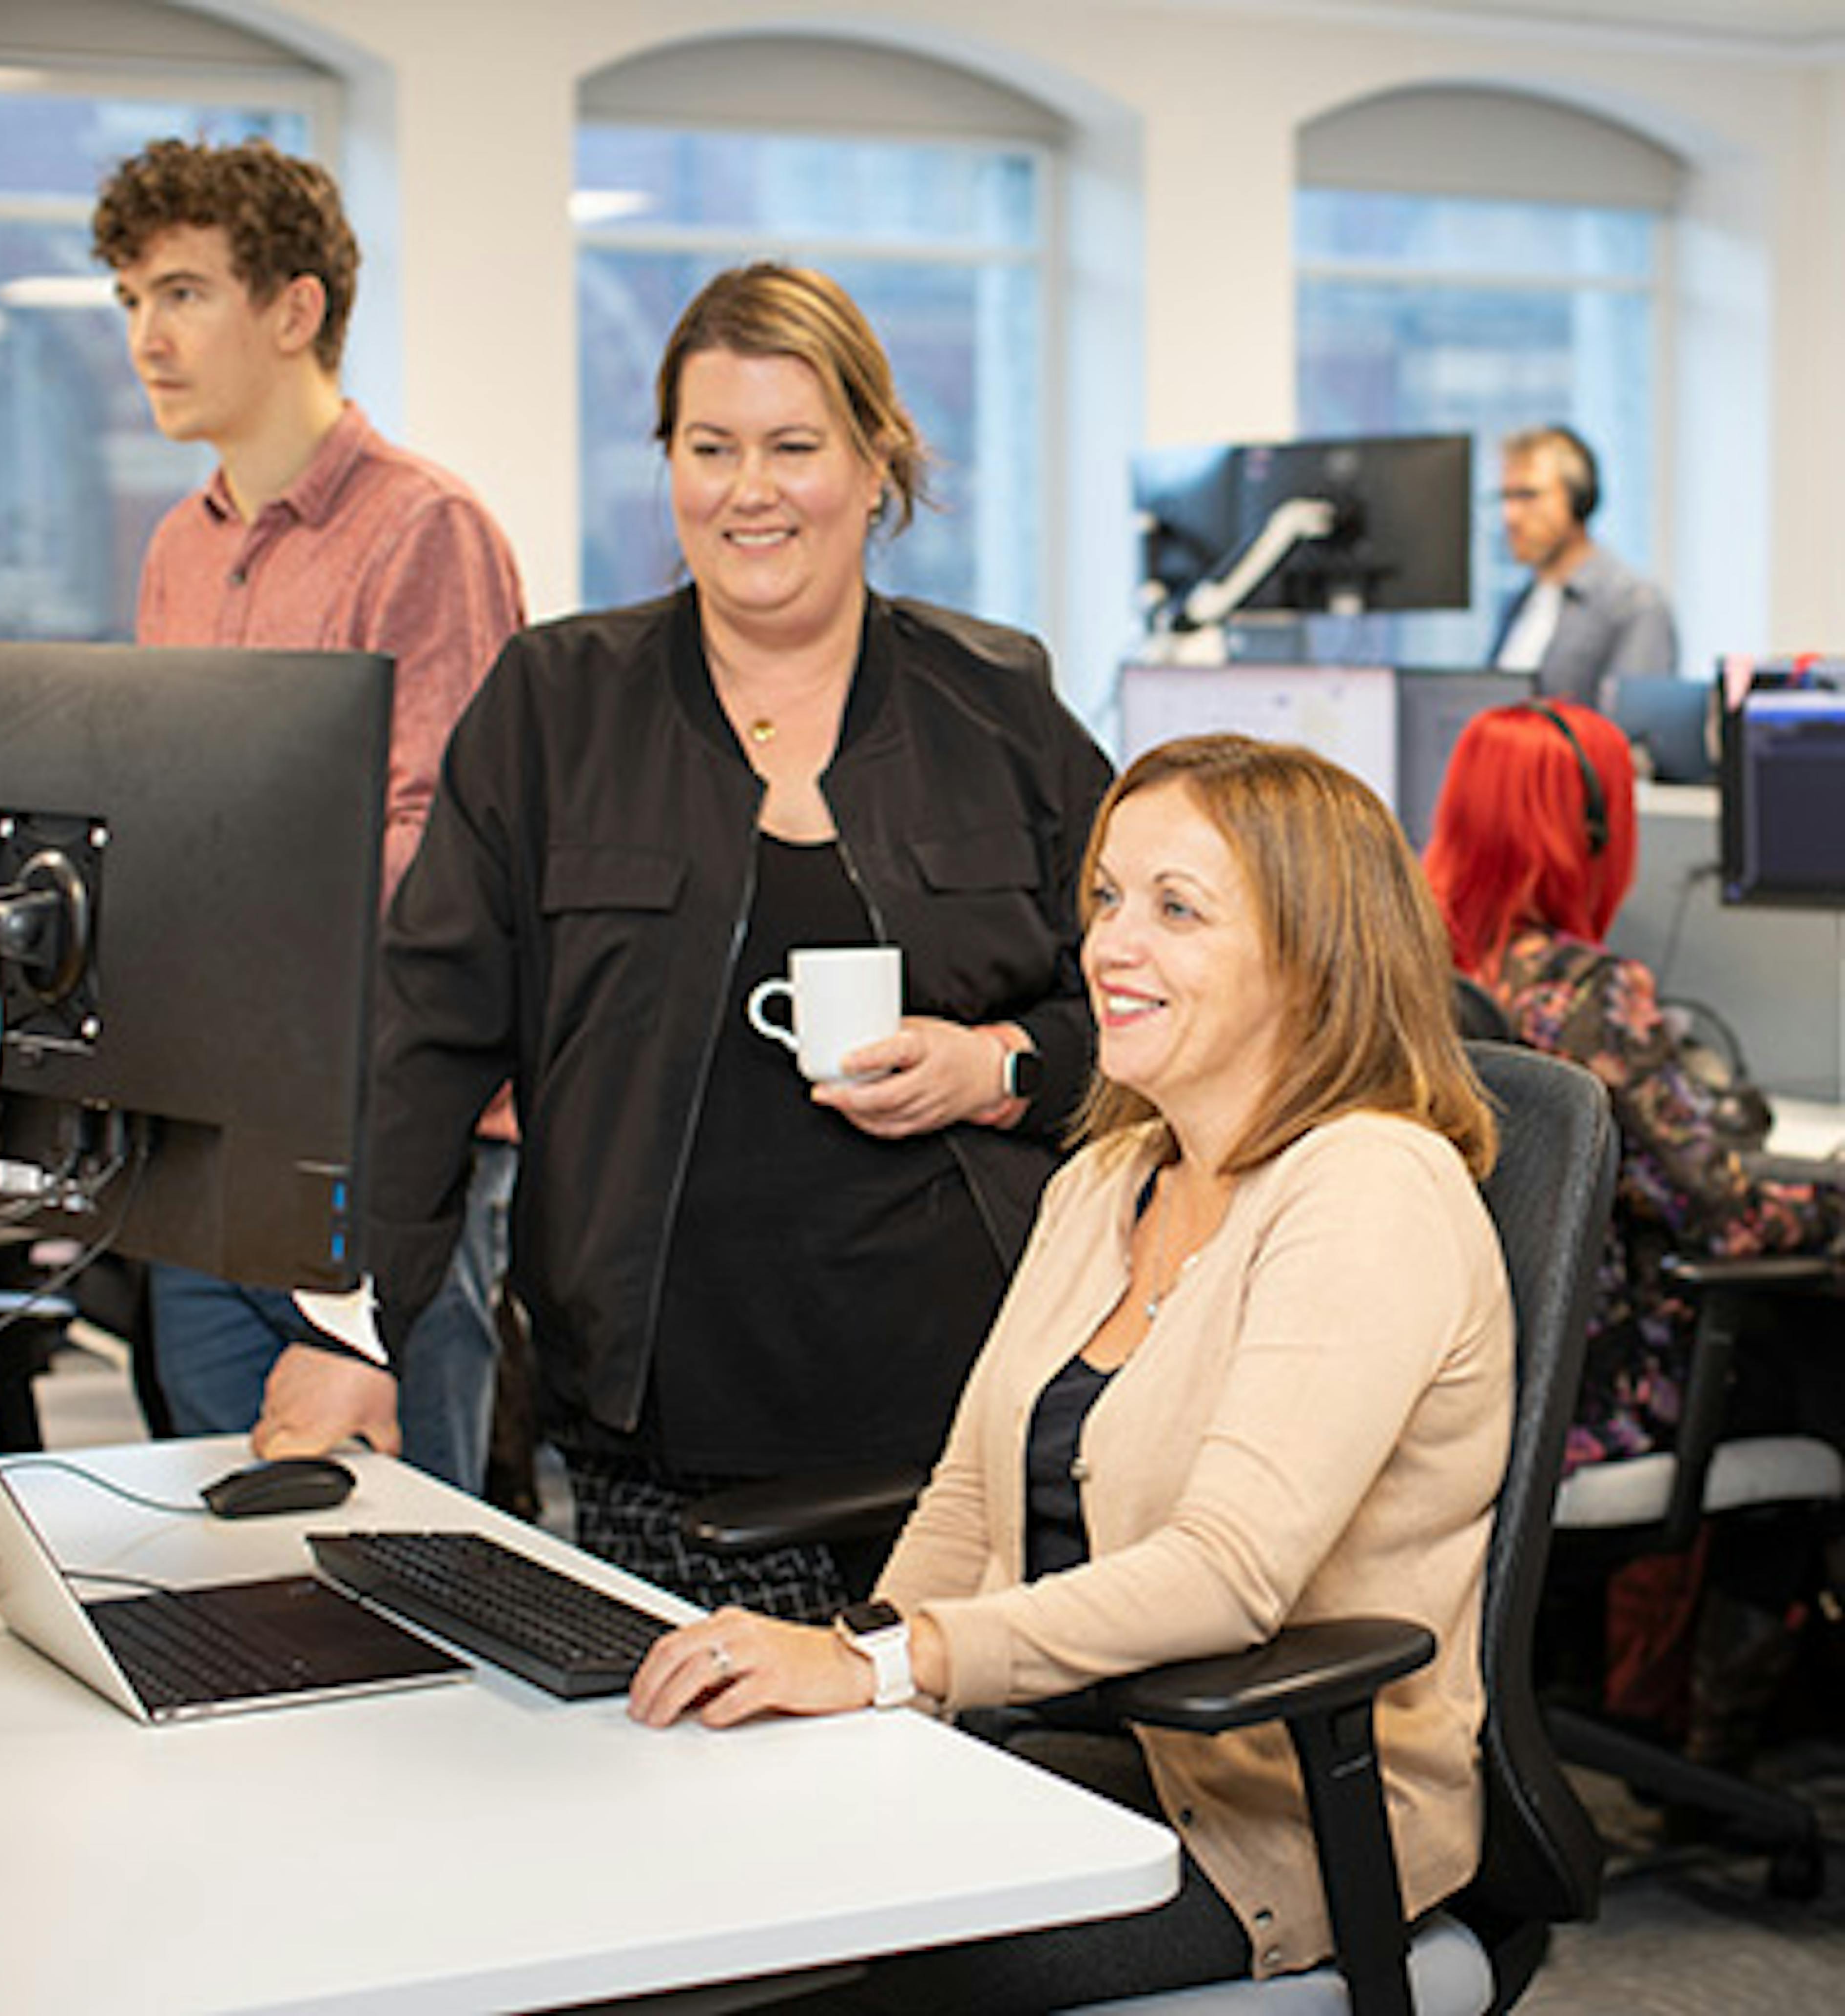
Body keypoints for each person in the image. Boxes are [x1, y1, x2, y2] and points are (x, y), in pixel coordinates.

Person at [252, 262, 1115, 1619]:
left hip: (971, 1424)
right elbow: (424, 1034)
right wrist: (348, 1325)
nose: (748, 489)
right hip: (663, 1432)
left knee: (977, 1809)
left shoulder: (998, 705)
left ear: (877, 458)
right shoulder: (555, 707)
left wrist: (1001, 1062)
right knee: (698, 1809)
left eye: (793, 447)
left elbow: (1149, 996)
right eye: (709, 448)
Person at [628, 732, 1514, 2005]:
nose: (1108, 944)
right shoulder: (1108, 1175)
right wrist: (847, 1666)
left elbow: (1230, 1573)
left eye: (1177, 908)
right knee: (681, 1875)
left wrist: (895, 1663)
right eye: (1106, 896)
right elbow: (972, 1499)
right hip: (1047, 1749)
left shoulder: (1369, 1185)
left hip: (1256, 1819)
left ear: (1314, 954)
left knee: (797, 1970)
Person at [90, 137, 525, 1491]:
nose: (148, 337)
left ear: (294, 308)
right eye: (131, 302)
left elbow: (441, 864)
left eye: (181, 293)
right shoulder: (183, 543)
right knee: (214, 1524)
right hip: (214, 1123)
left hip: (387, 1132)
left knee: (399, 1538)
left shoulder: (424, 531)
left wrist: (196, 890)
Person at [1423, 698, 1843, 1759]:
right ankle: (1719, 1742)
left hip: (1463, 1387)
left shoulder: (1415, 971)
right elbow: (1731, 1215)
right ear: (1593, 833)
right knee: (1822, 1370)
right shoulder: (1588, 995)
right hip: (1587, 1405)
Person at [1491, 424, 1678, 707]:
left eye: (1528, 496)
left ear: (1579, 501)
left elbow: (1628, 737)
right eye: (1506, 498)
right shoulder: (1520, 604)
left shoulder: (1634, 605)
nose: (1511, 517)